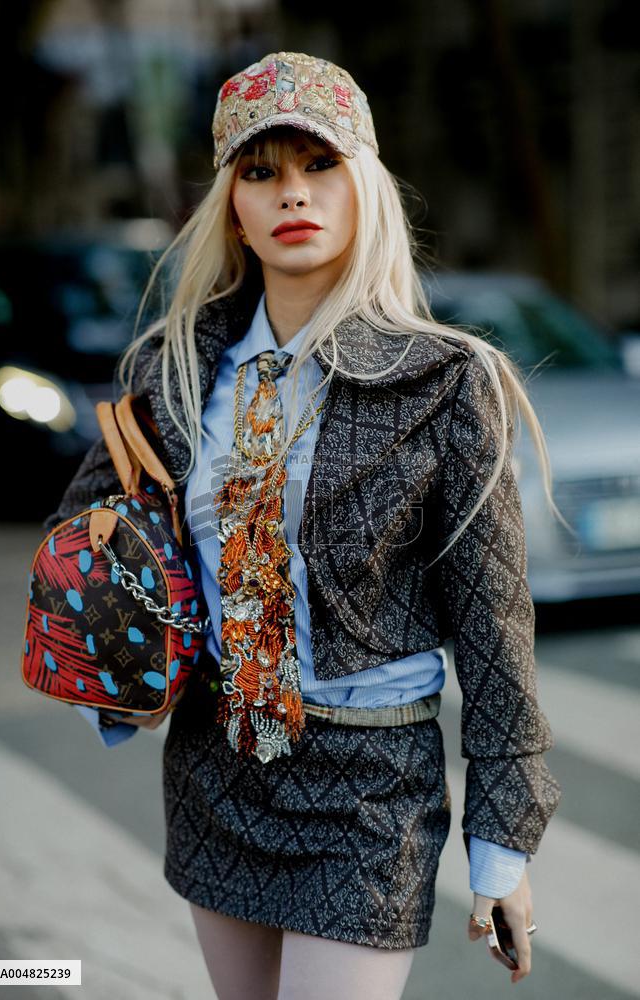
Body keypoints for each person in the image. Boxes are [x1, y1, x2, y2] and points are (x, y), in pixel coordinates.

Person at [43, 51, 562, 1000]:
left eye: (320, 164)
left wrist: (502, 850)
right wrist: (115, 664)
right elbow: (82, 538)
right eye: (261, 172)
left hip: (371, 788)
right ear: (232, 208)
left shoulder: (446, 380)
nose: (293, 192)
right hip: (214, 768)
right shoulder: (173, 367)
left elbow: (496, 633)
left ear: (366, 185)